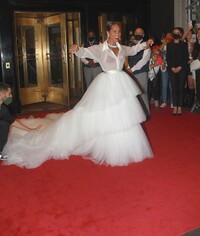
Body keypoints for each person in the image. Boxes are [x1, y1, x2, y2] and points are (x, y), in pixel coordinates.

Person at [3, 22, 154, 168]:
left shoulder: (122, 48)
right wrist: (76, 50)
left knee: (123, 115)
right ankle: (106, 145)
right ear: (107, 33)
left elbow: (134, 50)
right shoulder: (100, 48)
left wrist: (146, 43)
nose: (117, 34)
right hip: (107, 84)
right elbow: (85, 52)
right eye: (114, 31)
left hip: (121, 84)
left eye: (119, 31)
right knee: (103, 114)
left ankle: (125, 146)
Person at [0, 82, 41, 161]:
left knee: (5, 124)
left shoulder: (4, 110)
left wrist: (31, 130)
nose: (11, 96)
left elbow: (13, 122)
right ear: (1, 94)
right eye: (9, 94)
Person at [127, 28, 151, 116]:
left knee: (142, 93)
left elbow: (143, 61)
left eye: (140, 33)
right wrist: (128, 68)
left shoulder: (146, 46)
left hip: (141, 72)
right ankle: (134, 114)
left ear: (143, 35)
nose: (138, 34)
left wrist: (132, 69)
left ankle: (146, 113)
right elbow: (127, 57)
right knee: (131, 94)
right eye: (136, 32)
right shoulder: (130, 44)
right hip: (130, 72)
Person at [166, 27, 189, 115]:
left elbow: (185, 57)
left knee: (180, 88)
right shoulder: (169, 45)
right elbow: (168, 58)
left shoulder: (184, 44)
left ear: (180, 34)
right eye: (174, 32)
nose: (176, 34)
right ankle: (175, 106)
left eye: (177, 32)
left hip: (182, 69)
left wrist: (179, 67)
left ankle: (180, 107)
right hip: (171, 69)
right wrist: (172, 67)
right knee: (174, 89)